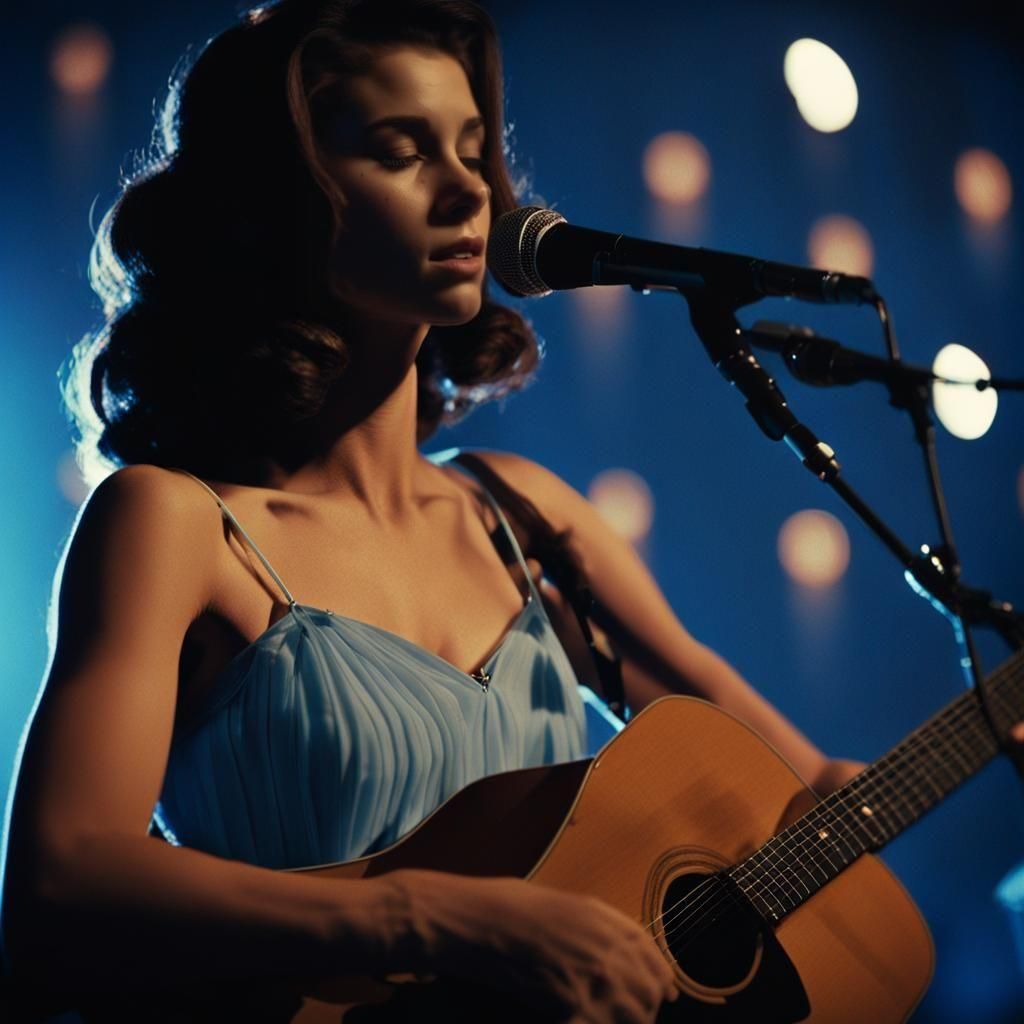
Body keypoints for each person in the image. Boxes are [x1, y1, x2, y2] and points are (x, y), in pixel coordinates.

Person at [0, 1, 868, 1021]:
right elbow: (59, 886)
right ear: (277, 201)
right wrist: (432, 917)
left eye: (470, 148)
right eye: (398, 150)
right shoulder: (173, 524)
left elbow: (802, 793)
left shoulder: (527, 516)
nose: (467, 187)